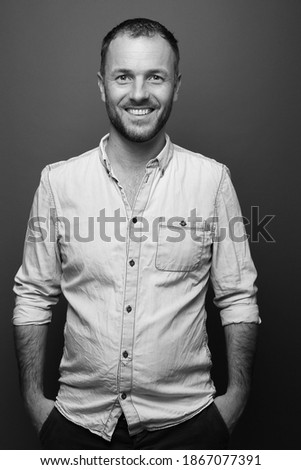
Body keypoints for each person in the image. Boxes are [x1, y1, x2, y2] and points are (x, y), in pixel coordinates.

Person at [13, 18, 260, 450]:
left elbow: (238, 295)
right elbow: (33, 295)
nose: (140, 93)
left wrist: (235, 399)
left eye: (156, 77)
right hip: (77, 426)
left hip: (191, 426)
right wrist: (34, 402)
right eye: (123, 76)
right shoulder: (58, 184)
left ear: (176, 86)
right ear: (101, 85)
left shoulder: (212, 181)